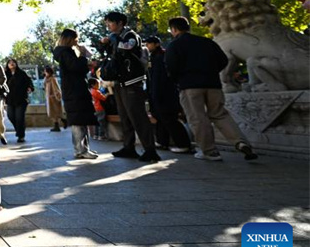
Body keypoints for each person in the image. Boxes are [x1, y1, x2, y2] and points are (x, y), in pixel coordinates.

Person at [164, 17, 258, 161]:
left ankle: (209, 151)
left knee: (198, 118)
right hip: (213, 84)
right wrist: (211, 72)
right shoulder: (207, 42)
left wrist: (179, 80)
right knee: (220, 115)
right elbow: (223, 60)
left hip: (190, 86)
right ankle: (240, 142)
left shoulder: (174, 45)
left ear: (174, 29)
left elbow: (171, 66)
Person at [100, 11, 160, 163]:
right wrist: (106, 44)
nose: (108, 25)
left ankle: (150, 150)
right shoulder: (116, 37)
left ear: (120, 23)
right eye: (107, 23)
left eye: (110, 22)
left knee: (138, 116)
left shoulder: (131, 35)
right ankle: (128, 147)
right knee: (125, 117)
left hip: (132, 82)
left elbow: (126, 48)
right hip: (119, 82)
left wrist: (113, 39)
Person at [53, 29, 99, 159]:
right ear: (69, 39)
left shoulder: (65, 52)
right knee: (78, 121)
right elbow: (76, 67)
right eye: (75, 39)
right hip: (74, 91)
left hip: (75, 90)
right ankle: (80, 150)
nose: (77, 41)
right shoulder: (65, 53)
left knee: (81, 120)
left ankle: (84, 148)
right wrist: (83, 56)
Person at [144, 36, 193, 153]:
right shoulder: (153, 57)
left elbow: (159, 78)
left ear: (156, 44)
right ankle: (162, 141)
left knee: (169, 119)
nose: (147, 46)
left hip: (165, 93)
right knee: (160, 118)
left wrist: (155, 93)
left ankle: (183, 144)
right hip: (157, 93)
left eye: (149, 43)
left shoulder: (161, 56)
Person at [4, 59, 33, 144]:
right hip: (10, 100)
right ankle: (20, 130)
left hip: (21, 99)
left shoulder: (22, 73)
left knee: (19, 118)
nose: (12, 64)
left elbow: (29, 82)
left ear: (16, 64)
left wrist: (30, 88)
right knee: (10, 116)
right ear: (7, 65)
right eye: (10, 63)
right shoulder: (5, 75)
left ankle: (21, 136)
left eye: (13, 62)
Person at [44, 66, 64, 132]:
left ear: (49, 72)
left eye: (46, 72)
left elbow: (56, 89)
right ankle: (58, 125)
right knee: (53, 113)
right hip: (50, 99)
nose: (45, 73)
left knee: (55, 113)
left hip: (53, 99)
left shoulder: (52, 79)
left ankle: (60, 124)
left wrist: (57, 97)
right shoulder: (47, 79)